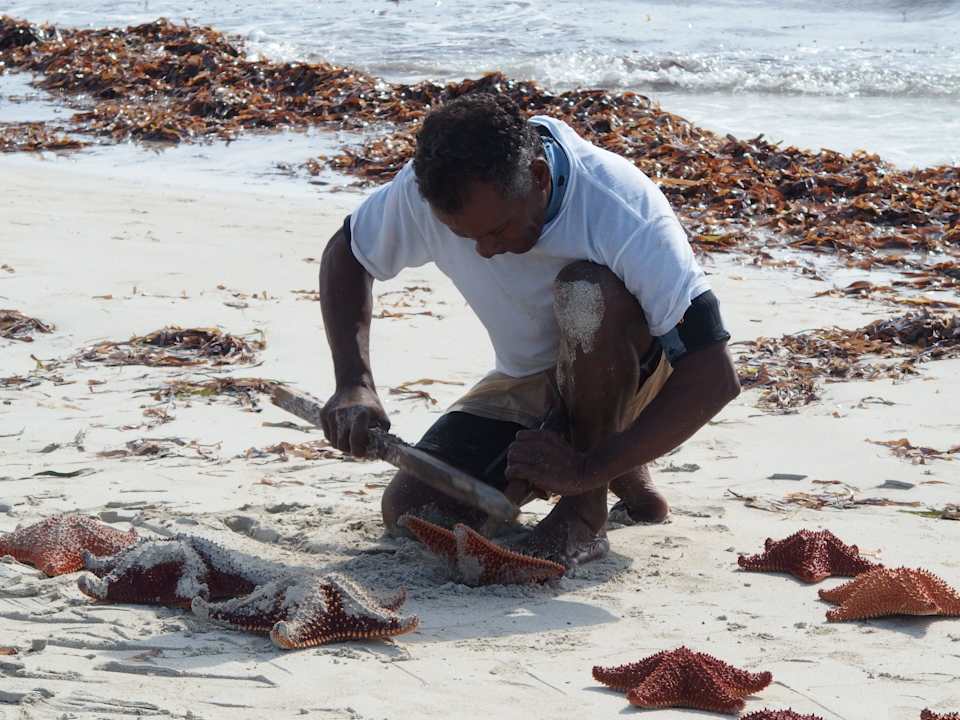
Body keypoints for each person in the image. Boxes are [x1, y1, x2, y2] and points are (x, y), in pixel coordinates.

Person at [318, 92, 739, 567]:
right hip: (530, 376)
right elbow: (348, 254)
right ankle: (622, 465)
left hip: (638, 365)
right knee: (417, 513)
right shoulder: (423, 193)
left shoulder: (619, 207)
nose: (485, 252)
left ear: (538, 177)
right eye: (466, 236)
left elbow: (713, 374)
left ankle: (585, 512)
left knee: (585, 292)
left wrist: (587, 470)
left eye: (497, 230)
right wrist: (354, 382)